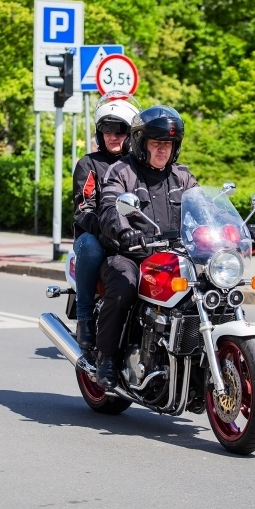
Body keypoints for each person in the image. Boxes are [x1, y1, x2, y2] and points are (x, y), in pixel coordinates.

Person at [94, 105, 199, 388]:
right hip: (131, 253)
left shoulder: (182, 176)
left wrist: (234, 227)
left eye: (168, 144)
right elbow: (109, 207)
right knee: (124, 284)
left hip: (173, 256)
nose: (163, 150)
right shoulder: (122, 171)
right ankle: (106, 358)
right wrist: (124, 232)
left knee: (209, 290)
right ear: (142, 143)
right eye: (157, 143)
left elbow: (203, 208)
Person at [72, 93, 140, 350]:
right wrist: (104, 229)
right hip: (96, 234)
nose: (113, 135)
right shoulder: (90, 163)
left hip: (135, 234)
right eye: (107, 129)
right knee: (90, 246)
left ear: (131, 132)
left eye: (121, 129)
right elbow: (84, 206)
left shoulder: (137, 164)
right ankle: (85, 318)